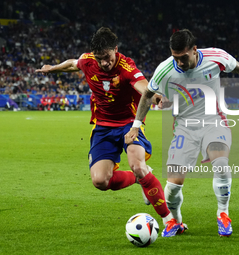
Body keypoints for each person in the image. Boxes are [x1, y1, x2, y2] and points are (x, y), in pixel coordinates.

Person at [35, 27, 181, 236]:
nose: (104, 62)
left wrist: (156, 96)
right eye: (100, 58)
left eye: (108, 57)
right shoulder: (88, 61)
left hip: (129, 125)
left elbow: (143, 87)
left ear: (116, 49)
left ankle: (169, 220)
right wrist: (53, 68)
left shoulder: (126, 66)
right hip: (103, 127)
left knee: (138, 165)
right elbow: (73, 64)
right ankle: (141, 178)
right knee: (100, 181)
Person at [125, 29, 239, 237]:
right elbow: (148, 94)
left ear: (194, 50)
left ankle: (223, 214)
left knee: (220, 163)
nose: (180, 63)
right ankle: (175, 221)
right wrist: (136, 125)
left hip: (214, 121)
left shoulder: (215, 57)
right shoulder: (165, 69)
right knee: (173, 186)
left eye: (183, 57)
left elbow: (237, 67)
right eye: (175, 57)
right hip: (184, 128)